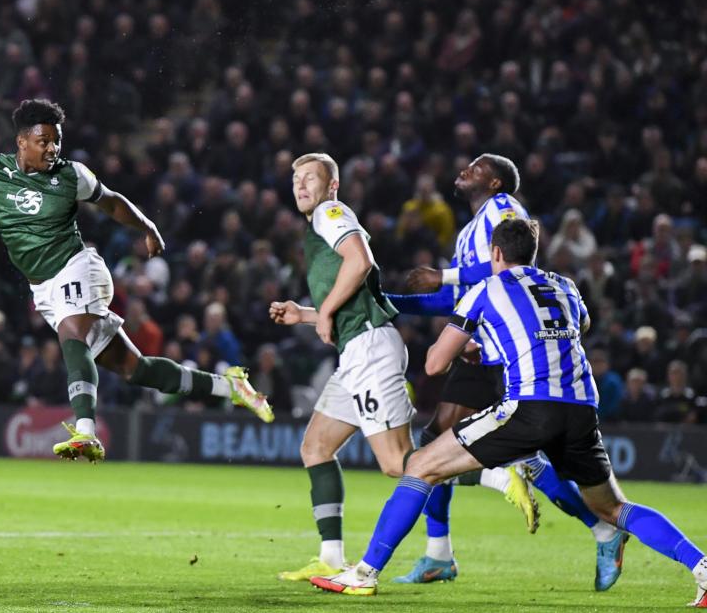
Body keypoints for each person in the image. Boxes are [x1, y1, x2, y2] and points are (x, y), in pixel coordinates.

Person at [0, 98, 272, 463]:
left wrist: (147, 226)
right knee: (134, 369)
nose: (52, 148)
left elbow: (111, 202)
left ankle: (85, 431)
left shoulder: (72, 175)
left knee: (73, 334)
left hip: (78, 266)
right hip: (44, 288)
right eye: (44, 140)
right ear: (21, 141)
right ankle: (230, 387)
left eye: (57, 141)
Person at [311, 219, 707, 608]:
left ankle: (364, 573)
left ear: (495, 253)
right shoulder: (565, 286)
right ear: (533, 253)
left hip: (529, 405)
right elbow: (579, 326)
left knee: (420, 466)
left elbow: (434, 364)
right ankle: (702, 567)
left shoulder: (485, 290)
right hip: (581, 408)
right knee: (613, 508)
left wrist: (466, 347)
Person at [385, 154, 612, 586]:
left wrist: (444, 276)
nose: (464, 170)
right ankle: (597, 528)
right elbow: (460, 299)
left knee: (435, 450)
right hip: (485, 349)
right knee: (472, 449)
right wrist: (394, 303)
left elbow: (508, 266)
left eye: (475, 168)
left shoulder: (504, 208)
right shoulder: (470, 230)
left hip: (502, 350)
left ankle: (440, 551)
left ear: (494, 183)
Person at [268, 153, 416, 581]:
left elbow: (359, 260)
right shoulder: (317, 224)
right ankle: (331, 557)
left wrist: (327, 310)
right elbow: (354, 298)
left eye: (310, 178)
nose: (300, 185)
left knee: (396, 463)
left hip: (369, 349)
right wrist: (305, 314)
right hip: (357, 349)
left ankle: (497, 472)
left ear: (332, 186)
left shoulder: (330, 213)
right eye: (296, 179)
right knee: (316, 447)